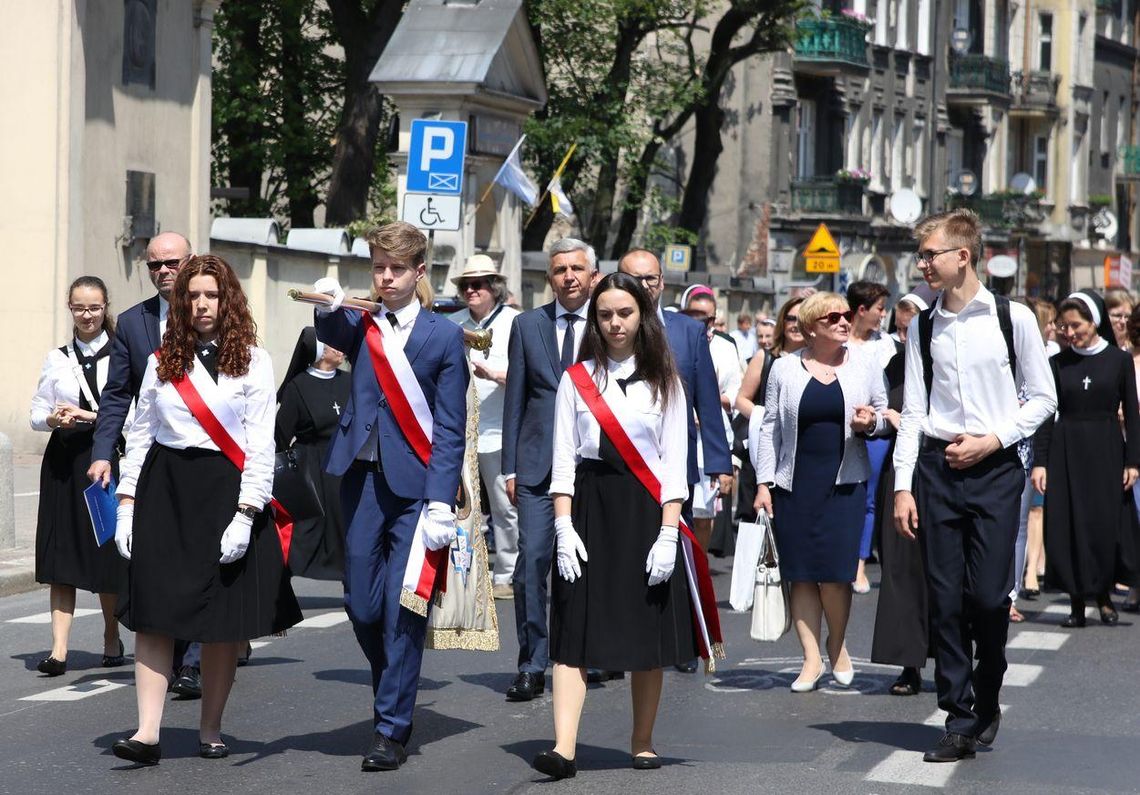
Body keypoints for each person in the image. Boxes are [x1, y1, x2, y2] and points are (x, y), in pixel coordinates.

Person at [110, 255, 301, 765]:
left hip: (227, 492)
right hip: (166, 491)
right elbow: (141, 434)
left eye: (211, 295)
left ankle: (210, 727)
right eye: (192, 295)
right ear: (181, 301)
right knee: (155, 613)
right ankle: (148, 731)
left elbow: (260, 444)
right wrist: (126, 504)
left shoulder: (255, 360)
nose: (201, 303)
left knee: (221, 620)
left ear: (228, 300)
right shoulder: (160, 361)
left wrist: (245, 514)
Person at [893, 209, 1056, 763]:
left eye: (929, 254)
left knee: (988, 597)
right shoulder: (921, 324)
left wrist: (993, 440)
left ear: (962, 256)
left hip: (995, 468)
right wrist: (902, 485)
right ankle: (958, 717)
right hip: (937, 468)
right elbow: (913, 409)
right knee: (943, 600)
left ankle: (988, 695)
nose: (923, 265)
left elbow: (1042, 397)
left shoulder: (1015, 319)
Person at [533, 272, 704, 780]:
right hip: (589, 508)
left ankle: (643, 741)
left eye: (624, 313)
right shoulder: (576, 378)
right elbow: (563, 459)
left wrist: (669, 534)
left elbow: (674, 466)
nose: (614, 323)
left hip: (645, 512)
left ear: (643, 315)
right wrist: (563, 528)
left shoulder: (666, 382)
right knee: (572, 629)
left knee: (643, 630)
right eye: (604, 314)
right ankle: (564, 747)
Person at [312, 221, 469, 771]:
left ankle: (391, 728)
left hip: (415, 489)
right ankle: (395, 682)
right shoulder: (363, 320)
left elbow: (450, 427)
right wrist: (330, 304)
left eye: (396, 269)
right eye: (379, 267)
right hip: (360, 475)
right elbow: (330, 329)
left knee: (405, 606)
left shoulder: (444, 337)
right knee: (360, 602)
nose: (385, 277)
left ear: (419, 272)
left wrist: (441, 501)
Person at [87, 231, 204, 699]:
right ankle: (174, 655)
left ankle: (194, 660)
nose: (163, 272)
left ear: (190, 261)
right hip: (153, 459)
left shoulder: (214, 312)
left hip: (209, 457)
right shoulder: (133, 325)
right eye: (155, 265)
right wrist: (101, 452)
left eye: (172, 262)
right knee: (161, 560)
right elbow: (117, 395)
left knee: (200, 556)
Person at [754, 292, 886, 693]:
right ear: (812, 326)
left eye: (847, 315)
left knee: (835, 576)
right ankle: (811, 659)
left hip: (845, 484)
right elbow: (769, 427)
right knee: (802, 576)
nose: (845, 321)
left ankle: (837, 643)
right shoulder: (784, 369)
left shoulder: (864, 363)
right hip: (796, 483)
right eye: (835, 317)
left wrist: (872, 422)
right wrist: (763, 482)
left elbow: (885, 413)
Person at [618, 250, 732, 673]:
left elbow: (707, 397)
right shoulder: (605, 326)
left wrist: (719, 463)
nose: (645, 286)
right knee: (625, 554)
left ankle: (679, 641)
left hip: (674, 462)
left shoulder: (686, 331)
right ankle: (621, 641)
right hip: (620, 463)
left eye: (651, 279)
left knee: (675, 552)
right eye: (635, 278)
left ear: (662, 283)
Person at [501, 238, 600, 701]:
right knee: (533, 563)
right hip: (538, 468)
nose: (569, 277)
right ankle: (532, 663)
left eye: (577, 268)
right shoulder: (527, 325)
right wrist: (508, 468)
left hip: (595, 467)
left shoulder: (611, 324)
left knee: (590, 566)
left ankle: (588, 653)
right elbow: (516, 400)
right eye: (560, 269)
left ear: (593, 275)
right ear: (551, 277)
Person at [29, 276, 126, 677]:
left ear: (105, 308)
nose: (87, 315)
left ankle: (110, 635)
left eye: (94, 307)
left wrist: (89, 415)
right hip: (63, 461)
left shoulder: (122, 354)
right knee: (60, 554)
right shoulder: (57, 357)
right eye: (79, 307)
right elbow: (36, 411)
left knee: (104, 552)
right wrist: (52, 418)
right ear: (70, 308)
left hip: (102, 458)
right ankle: (60, 649)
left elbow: (132, 414)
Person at [1031, 291, 1140, 627]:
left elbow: (1133, 416)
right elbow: (1046, 415)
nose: (1069, 332)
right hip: (1067, 450)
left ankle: (1105, 595)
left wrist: (1133, 461)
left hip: (1107, 448)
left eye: (1076, 325)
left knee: (1104, 525)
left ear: (1094, 322)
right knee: (1070, 524)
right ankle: (1077, 603)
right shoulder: (1057, 364)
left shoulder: (1119, 361)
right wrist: (1041, 461)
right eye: (1064, 326)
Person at [448, 254, 522, 600]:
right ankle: (465, 571)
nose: (471, 290)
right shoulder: (453, 323)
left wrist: (493, 374)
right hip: (460, 431)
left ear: (494, 287)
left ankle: (506, 573)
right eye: (466, 285)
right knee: (461, 508)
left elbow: (530, 376)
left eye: (477, 284)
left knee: (505, 508)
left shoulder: (515, 323)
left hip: (500, 431)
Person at [274, 327, 351, 579]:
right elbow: (281, 434)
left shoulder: (349, 381)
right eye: (334, 345)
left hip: (344, 465)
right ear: (319, 351)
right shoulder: (298, 386)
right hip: (311, 468)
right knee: (308, 529)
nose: (341, 349)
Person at [681, 285, 742, 551]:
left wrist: (709, 399)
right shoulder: (674, 338)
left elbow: (735, 394)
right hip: (680, 436)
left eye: (706, 317)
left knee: (703, 515)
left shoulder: (725, 348)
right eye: (694, 315)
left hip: (709, 438)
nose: (701, 321)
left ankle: (699, 566)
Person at [846, 281, 895, 595]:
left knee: (868, 498)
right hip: (842, 428)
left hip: (876, 429)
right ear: (861, 310)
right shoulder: (839, 339)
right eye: (879, 309)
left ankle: (859, 565)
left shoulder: (885, 345)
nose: (883, 315)